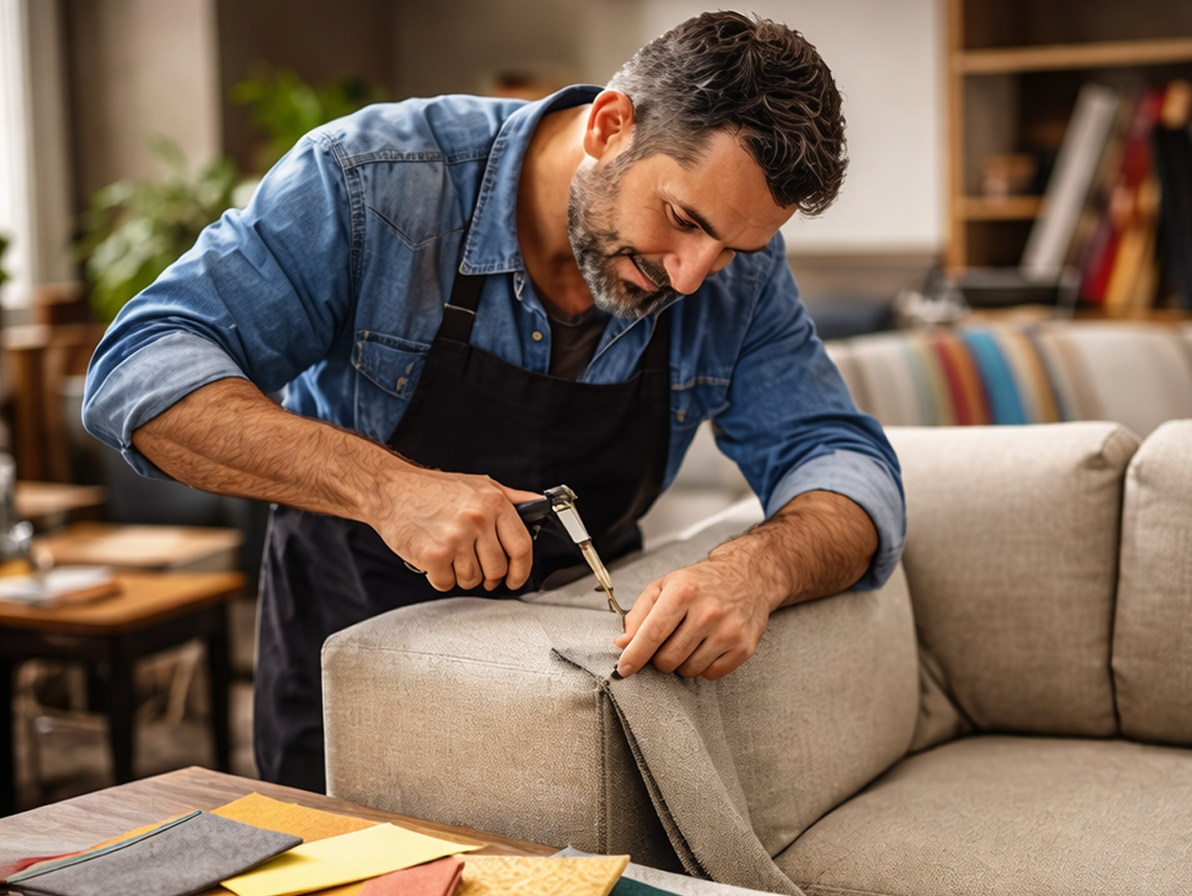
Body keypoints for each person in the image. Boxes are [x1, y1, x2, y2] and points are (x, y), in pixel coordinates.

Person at [83, 11, 906, 792]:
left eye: (732, 247)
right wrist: (388, 488)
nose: (692, 276)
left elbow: (845, 463)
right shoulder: (374, 180)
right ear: (609, 125)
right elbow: (136, 371)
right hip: (356, 664)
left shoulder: (737, 276)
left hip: (580, 693)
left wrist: (753, 571)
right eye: (682, 220)